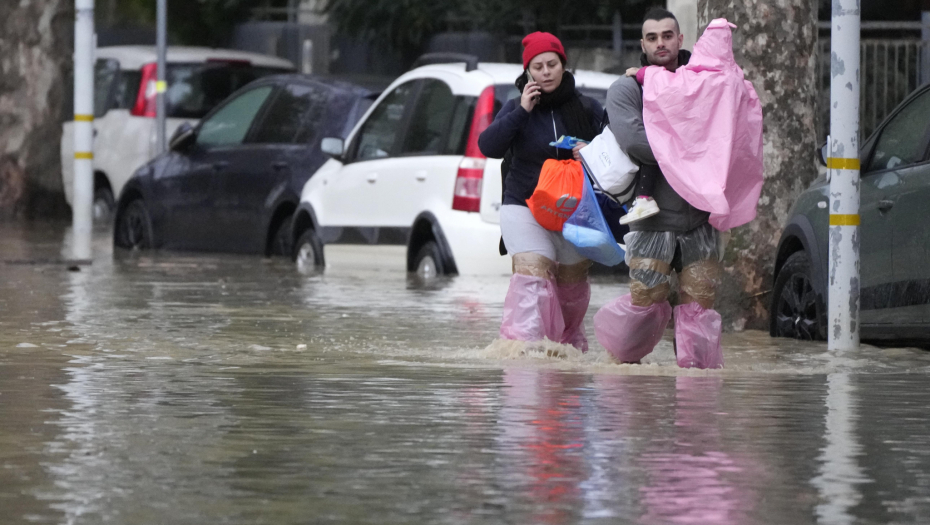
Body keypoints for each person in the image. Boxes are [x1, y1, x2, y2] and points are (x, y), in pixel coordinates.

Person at [594, 7, 725, 369]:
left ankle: (699, 398)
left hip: (701, 217)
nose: (660, 43)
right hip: (651, 219)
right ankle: (617, 374)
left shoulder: (702, 81)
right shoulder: (625, 88)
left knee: (700, 306)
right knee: (645, 304)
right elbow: (635, 141)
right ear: (642, 43)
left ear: (681, 39)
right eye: (652, 38)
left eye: (667, 35)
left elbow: (725, 128)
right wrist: (693, 149)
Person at [478, 31, 605, 353]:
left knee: (571, 289)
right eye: (538, 66)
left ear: (563, 65)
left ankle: (566, 350)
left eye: (552, 64)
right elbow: (488, 146)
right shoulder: (515, 107)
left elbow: (612, 156)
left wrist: (590, 151)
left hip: (575, 211)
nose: (546, 71)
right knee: (532, 276)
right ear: (528, 72)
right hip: (523, 205)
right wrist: (522, 110)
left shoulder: (588, 108)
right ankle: (520, 351)